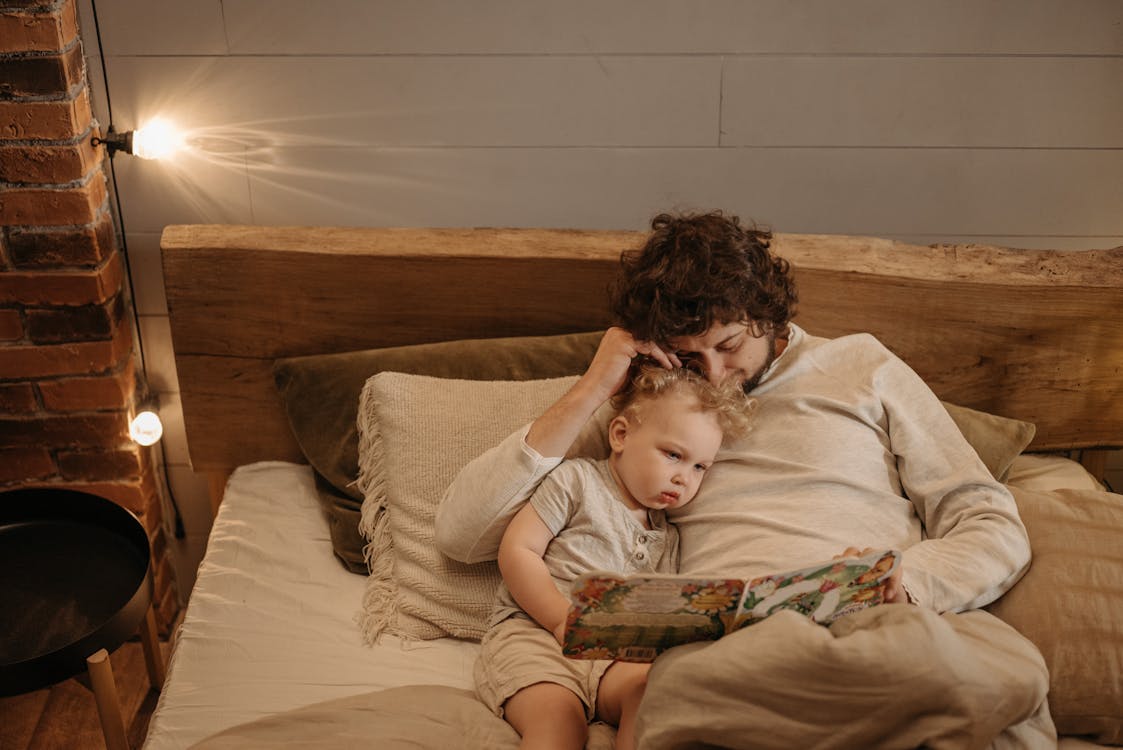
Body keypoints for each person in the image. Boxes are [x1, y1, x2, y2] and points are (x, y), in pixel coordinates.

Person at [439, 211, 1055, 749]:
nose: (715, 377)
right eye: (689, 357)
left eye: (729, 345)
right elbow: (462, 534)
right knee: (686, 691)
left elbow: (986, 517)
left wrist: (911, 582)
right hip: (730, 644)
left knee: (1005, 673)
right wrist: (595, 386)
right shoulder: (653, 406)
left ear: (765, 312)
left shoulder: (862, 365)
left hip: (880, 613)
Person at [475, 365, 754, 750]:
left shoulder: (668, 535)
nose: (684, 478)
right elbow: (518, 550)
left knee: (653, 694)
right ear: (621, 435)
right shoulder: (577, 481)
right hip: (536, 635)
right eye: (674, 455)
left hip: (614, 656)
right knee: (559, 723)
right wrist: (560, 619)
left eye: (699, 467)